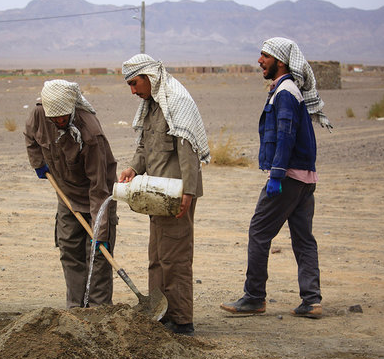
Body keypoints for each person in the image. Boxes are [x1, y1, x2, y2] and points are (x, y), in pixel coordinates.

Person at [220, 37, 332, 319]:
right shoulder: (290, 91)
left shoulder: (285, 93)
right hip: (306, 177)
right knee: (304, 239)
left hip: (289, 177)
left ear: (280, 61)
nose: (259, 61)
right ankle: (311, 301)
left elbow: (285, 135)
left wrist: (277, 175)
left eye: (264, 56)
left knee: (259, 232)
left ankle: (254, 297)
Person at [119, 54, 210, 336]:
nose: (133, 91)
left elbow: (188, 151)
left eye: (135, 84)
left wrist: (188, 193)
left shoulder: (176, 102)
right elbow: (147, 146)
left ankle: (182, 321)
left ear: (150, 77)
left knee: (176, 257)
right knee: (157, 257)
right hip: (157, 195)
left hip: (176, 195)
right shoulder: (152, 106)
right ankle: (161, 315)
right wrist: (134, 168)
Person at [24, 79, 118, 309]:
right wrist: (38, 163)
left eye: (62, 118)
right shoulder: (39, 114)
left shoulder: (90, 134)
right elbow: (30, 136)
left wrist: (100, 230)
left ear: (72, 109)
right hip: (66, 193)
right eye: (53, 118)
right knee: (69, 250)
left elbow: (99, 188)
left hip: (98, 196)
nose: (57, 122)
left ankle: (98, 310)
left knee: (97, 255)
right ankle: (76, 309)